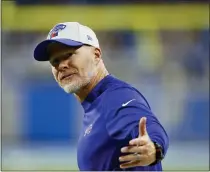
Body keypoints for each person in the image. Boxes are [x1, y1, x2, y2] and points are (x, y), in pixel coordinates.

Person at [33, 22, 169, 171]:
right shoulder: (94, 104)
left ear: (96, 55)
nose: (61, 65)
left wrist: (154, 148)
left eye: (69, 55)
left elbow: (148, 126)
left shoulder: (116, 97)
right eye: (55, 61)